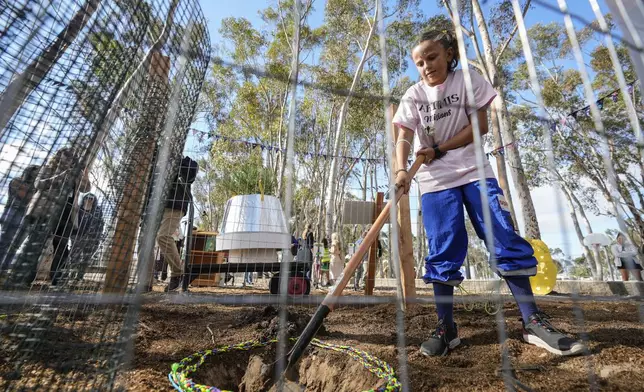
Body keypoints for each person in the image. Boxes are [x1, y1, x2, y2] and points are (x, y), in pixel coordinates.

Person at [392, 28, 584, 357]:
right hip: (435, 182)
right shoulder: (413, 96)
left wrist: (439, 148)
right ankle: (446, 327)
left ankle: (532, 321)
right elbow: (404, 136)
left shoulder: (467, 80)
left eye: (433, 57)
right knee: (443, 249)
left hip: (475, 173)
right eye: (419, 62)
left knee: (503, 236)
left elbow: (479, 125)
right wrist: (401, 169)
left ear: (449, 54)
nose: (426, 66)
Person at [4, 148, 90, 288]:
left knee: (61, 246)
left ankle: (58, 280)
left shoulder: (76, 173)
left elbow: (86, 189)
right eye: (66, 155)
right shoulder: (46, 169)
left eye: (72, 156)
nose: (69, 158)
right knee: (35, 242)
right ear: (58, 156)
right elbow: (39, 184)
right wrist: (62, 175)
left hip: (67, 212)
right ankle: (23, 278)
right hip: (45, 211)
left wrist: (83, 175)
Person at [154, 156, 198, 292]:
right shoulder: (157, 161)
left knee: (163, 236)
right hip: (159, 205)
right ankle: (152, 277)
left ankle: (177, 274)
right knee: (156, 239)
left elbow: (191, 174)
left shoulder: (186, 162)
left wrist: (177, 162)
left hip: (175, 204)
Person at [0, 165, 40, 272]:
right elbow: (25, 195)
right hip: (13, 212)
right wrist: (34, 194)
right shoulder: (16, 181)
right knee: (5, 241)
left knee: (16, 244)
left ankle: (3, 269)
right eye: (36, 172)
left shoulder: (35, 186)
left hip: (25, 214)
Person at [68, 192, 104, 281]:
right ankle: (72, 273)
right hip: (77, 236)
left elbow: (100, 225)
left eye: (91, 199)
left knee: (86, 258)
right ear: (83, 199)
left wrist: (97, 237)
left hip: (91, 238)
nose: (89, 200)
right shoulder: (78, 209)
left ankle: (80, 275)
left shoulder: (98, 211)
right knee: (74, 256)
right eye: (87, 198)